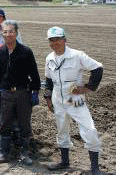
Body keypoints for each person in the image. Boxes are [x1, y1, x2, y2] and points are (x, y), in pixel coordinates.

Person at [44, 26, 103, 175]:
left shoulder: (77, 55)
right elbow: (48, 80)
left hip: (74, 97)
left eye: (57, 39)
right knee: (62, 129)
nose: (54, 43)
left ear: (64, 40)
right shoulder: (49, 58)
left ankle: (95, 169)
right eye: (51, 40)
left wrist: (88, 88)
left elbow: (97, 68)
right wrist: (48, 100)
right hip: (58, 97)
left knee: (89, 128)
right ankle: (64, 162)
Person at [0, 20, 40, 165]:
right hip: (6, 94)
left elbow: (34, 74)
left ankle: (24, 154)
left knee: (25, 124)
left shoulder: (26, 51)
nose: (8, 34)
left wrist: (35, 91)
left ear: (16, 33)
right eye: (5, 32)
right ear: (1, 33)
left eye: (11, 31)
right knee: (4, 123)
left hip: (23, 93)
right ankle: (3, 154)